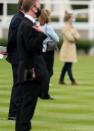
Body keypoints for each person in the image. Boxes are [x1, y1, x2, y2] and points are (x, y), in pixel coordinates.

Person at [16, 0, 47, 130]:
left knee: (25, 104)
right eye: (39, 6)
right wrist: (41, 33)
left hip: (28, 68)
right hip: (30, 70)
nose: (40, 9)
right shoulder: (27, 25)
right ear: (33, 8)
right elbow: (32, 48)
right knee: (28, 105)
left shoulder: (27, 23)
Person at [6, 0, 25, 120]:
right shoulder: (18, 19)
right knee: (18, 85)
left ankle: (17, 111)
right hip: (18, 57)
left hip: (21, 57)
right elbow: (12, 40)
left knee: (22, 84)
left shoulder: (21, 18)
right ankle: (13, 113)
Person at [38, 9, 59, 99]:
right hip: (48, 51)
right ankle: (44, 93)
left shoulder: (37, 26)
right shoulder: (48, 27)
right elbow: (57, 39)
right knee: (48, 72)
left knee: (42, 71)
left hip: (39, 51)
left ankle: (40, 91)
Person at [59, 10, 80, 85]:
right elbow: (70, 38)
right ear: (69, 18)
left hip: (71, 48)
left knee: (67, 65)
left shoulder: (72, 27)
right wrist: (73, 34)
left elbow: (78, 36)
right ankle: (72, 80)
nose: (73, 19)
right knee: (68, 65)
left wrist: (73, 34)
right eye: (72, 17)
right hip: (67, 48)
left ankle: (61, 80)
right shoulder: (65, 27)